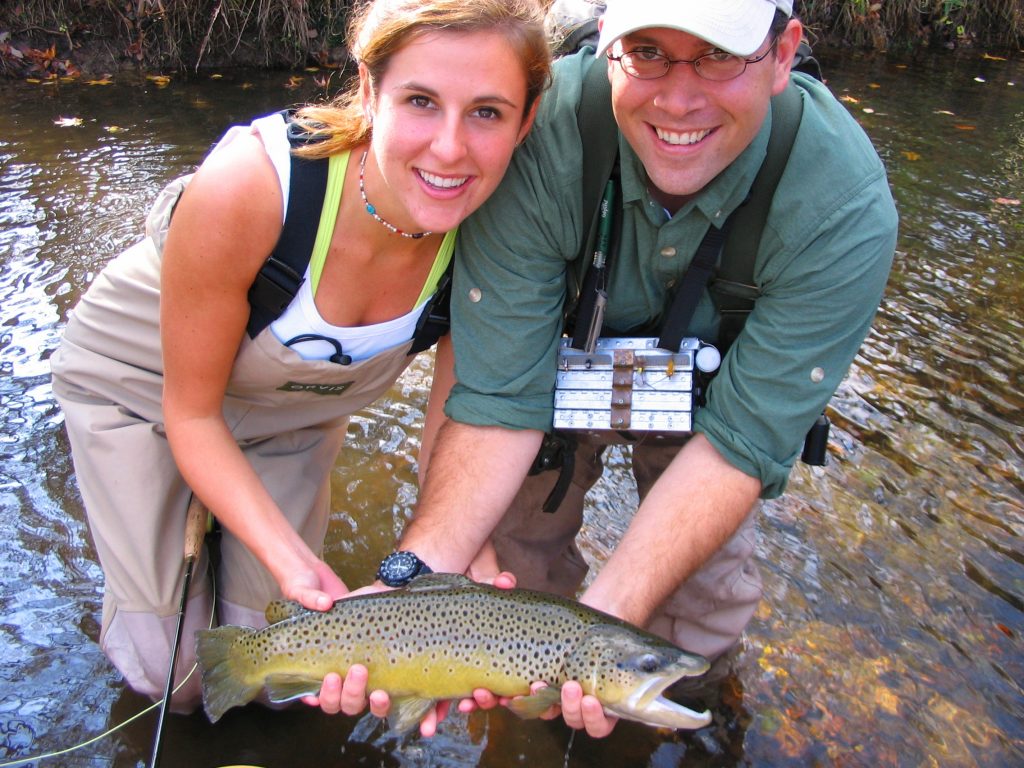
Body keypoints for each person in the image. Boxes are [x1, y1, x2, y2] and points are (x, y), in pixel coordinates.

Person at [345, 0, 898, 737]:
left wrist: (605, 632)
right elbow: (499, 398)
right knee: (512, 573)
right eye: (649, 52)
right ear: (606, 45)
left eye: (717, 56)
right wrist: (415, 578)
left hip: (711, 409)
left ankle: (692, 715)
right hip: (552, 371)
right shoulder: (539, 137)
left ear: (784, 53)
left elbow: (741, 444)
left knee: (697, 622)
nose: (679, 97)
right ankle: (533, 730)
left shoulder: (844, 208)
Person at [49, 0, 549, 713]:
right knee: (179, 680)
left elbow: (450, 435)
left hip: (288, 421)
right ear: (370, 90)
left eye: (487, 113)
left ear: (525, 122)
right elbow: (191, 415)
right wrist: (295, 564)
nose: (448, 148)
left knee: (281, 672)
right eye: (419, 101)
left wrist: (459, 563)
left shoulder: (498, 236)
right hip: (146, 393)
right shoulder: (252, 185)